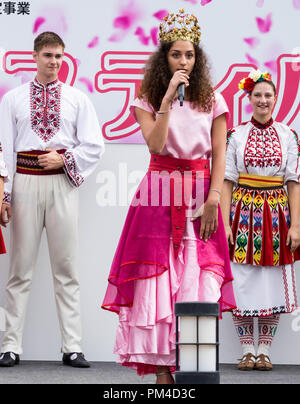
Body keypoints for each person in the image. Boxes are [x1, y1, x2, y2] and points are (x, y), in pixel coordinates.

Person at [102, 10, 236, 384]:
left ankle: (192, 370)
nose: (184, 61)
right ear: (165, 58)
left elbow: (220, 152)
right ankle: (162, 371)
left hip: (199, 191)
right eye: (176, 55)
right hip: (158, 192)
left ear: (198, 58)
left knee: (198, 277)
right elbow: (157, 144)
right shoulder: (146, 98)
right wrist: (164, 98)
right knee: (157, 281)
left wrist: (214, 198)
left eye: (189, 55)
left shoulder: (213, 99)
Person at [0, 32, 104, 367]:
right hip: (25, 184)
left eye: (59, 56)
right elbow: (3, 148)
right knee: (19, 270)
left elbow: (94, 145)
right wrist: (4, 194)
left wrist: (64, 159)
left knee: (66, 268)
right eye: (47, 55)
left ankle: (72, 346)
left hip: (62, 184)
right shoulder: (13, 99)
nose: (54, 62)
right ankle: (10, 345)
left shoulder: (77, 99)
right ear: (34, 56)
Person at [221, 69, 300, 371]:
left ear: (276, 99)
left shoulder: (288, 135)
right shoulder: (235, 135)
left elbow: (294, 181)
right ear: (249, 98)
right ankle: (246, 349)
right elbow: (227, 180)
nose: (263, 100)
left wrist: (296, 224)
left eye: (268, 95)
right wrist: (225, 223)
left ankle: (264, 349)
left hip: (277, 214)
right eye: (258, 95)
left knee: (272, 283)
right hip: (241, 213)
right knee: (240, 280)